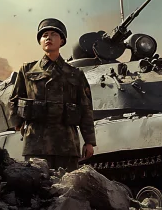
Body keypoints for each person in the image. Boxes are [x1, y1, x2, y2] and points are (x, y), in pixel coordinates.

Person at [7, 18, 96, 171]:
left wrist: (89, 141)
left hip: (66, 142)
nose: (48, 37)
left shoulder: (75, 74)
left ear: (62, 40)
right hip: (36, 142)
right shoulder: (27, 70)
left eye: (53, 34)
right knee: (38, 187)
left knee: (67, 187)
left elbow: (85, 108)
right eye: (44, 35)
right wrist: (19, 125)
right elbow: (14, 100)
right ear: (40, 41)